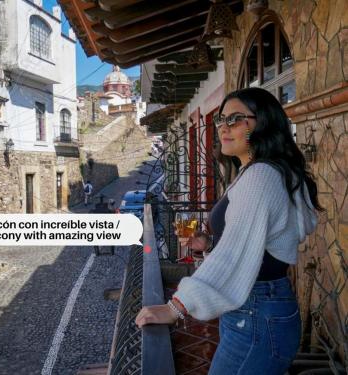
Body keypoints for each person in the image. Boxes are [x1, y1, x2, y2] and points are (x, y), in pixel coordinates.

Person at [135, 87, 322, 375]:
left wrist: (175, 308)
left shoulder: (260, 176)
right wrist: (208, 243)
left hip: (256, 313)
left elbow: (235, 256)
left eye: (234, 119)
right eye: (220, 120)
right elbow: (253, 243)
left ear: (263, 123)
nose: (223, 127)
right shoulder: (260, 172)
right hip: (260, 309)